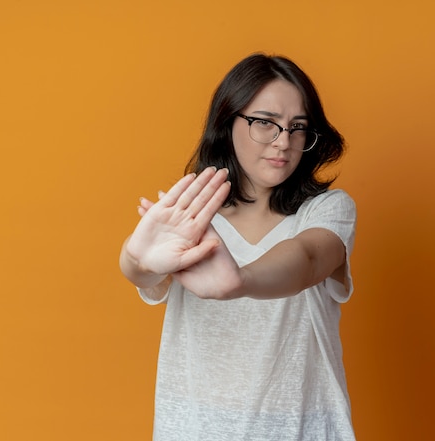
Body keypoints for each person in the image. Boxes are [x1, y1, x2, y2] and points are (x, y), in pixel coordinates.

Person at [119, 53, 357, 441]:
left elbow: (308, 258)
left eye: (297, 127)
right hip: (194, 428)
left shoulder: (327, 209)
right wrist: (136, 257)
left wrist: (241, 279)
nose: (284, 142)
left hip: (301, 429)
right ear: (227, 122)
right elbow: (141, 269)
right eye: (265, 123)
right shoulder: (192, 214)